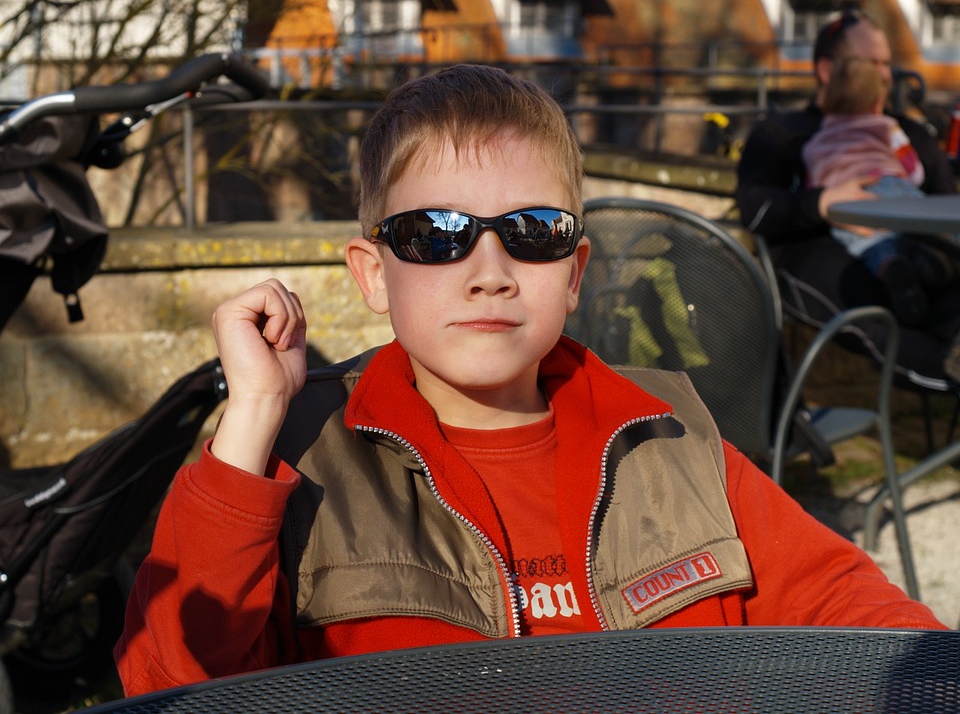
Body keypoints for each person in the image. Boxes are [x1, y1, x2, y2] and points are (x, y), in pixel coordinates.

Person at [114, 63, 945, 698]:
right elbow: (171, 685)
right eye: (436, 233)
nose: (490, 272)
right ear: (372, 273)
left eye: (533, 232)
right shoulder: (303, 467)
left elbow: (858, 619)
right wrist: (254, 417)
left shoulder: (671, 438)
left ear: (574, 272)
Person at [736, 8, 960, 382]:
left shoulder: (907, 132)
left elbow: (945, 203)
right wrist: (822, 202)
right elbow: (755, 207)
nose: (885, 75)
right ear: (827, 70)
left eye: (887, 63)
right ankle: (945, 365)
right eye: (872, 63)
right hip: (825, 256)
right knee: (873, 306)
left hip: (920, 256)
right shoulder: (784, 133)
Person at [801, 55, 955, 327]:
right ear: (878, 101)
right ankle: (928, 253)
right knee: (920, 228)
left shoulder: (814, 143)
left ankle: (889, 267)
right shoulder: (885, 126)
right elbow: (914, 170)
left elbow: (814, 187)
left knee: (870, 244)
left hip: (852, 199)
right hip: (892, 184)